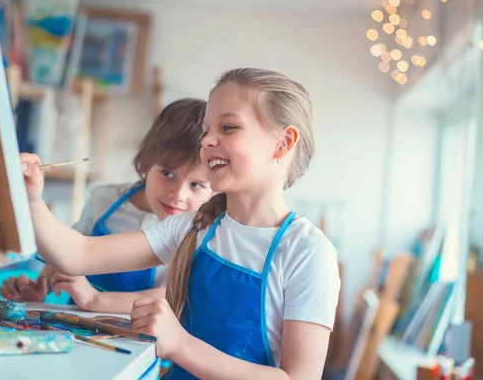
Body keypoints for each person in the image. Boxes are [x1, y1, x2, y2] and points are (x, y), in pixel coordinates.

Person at [21, 68, 340, 379]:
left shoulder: (307, 252)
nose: (207, 141)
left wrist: (179, 344)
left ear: (283, 144)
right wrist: (32, 199)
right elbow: (80, 255)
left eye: (227, 127)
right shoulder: (193, 227)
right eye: (207, 130)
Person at [0, 98, 213, 314]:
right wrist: (39, 292)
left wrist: (94, 299)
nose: (178, 194)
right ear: (147, 163)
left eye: (196, 185)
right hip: (74, 327)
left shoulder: (197, 232)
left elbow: (166, 298)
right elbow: (65, 251)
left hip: (136, 338)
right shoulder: (105, 200)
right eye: (168, 174)